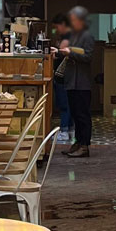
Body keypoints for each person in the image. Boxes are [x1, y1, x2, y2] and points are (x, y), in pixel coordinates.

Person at [59, 6, 95, 158]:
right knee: (75, 114)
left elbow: (88, 57)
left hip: (81, 83)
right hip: (71, 81)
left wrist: (71, 53)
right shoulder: (74, 35)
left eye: (73, 20)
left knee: (82, 115)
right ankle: (78, 142)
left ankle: (84, 145)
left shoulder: (87, 36)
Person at [49, 12, 73, 144]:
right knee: (66, 103)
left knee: (65, 104)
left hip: (64, 76)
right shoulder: (69, 36)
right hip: (65, 76)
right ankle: (68, 129)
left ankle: (64, 131)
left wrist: (57, 52)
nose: (56, 30)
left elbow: (66, 54)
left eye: (56, 27)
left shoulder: (68, 37)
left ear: (63, 25)